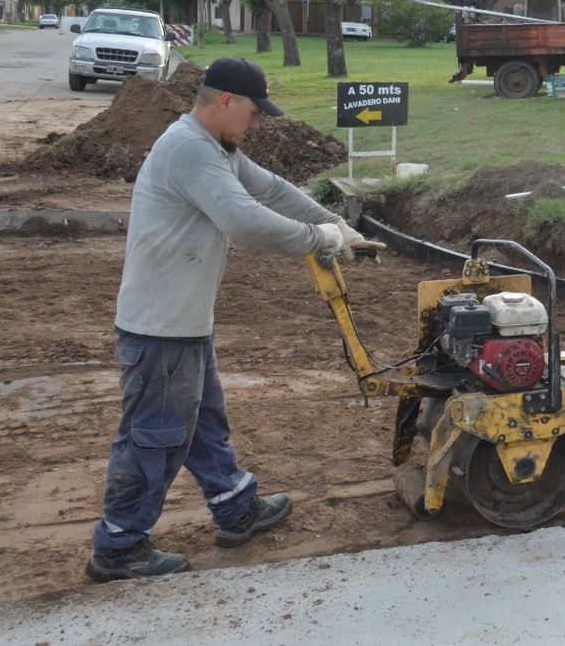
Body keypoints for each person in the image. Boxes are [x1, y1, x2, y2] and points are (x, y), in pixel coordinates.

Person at [87, 58, 378, 582]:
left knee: (203, 422)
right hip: (159, 329)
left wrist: (332, 219)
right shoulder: (188, 152)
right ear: (225, 102)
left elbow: (271, 189)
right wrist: (320, 240)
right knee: (155, 437)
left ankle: (235, 507)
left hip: (184, 322)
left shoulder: (216, 150)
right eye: (253, 111)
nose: (258, 122)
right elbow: (246, 222)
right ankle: (119, 545)